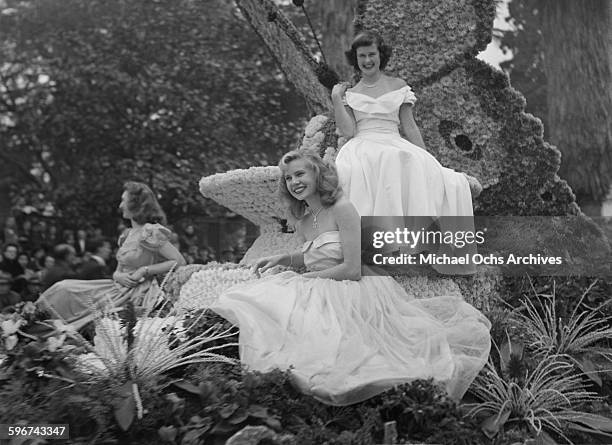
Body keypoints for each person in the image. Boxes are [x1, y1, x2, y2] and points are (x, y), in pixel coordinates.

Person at [211, 149, 490, 406]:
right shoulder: (305, 220)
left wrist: (306, 280)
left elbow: (351, 268)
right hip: (322, 284)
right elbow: (314, 254)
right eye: (288, 178)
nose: (294, 181)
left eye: (300, 174)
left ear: (317, 175)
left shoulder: (342, 208)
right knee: (249, 301)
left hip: (353, 287)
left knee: (337, 354)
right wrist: (285, 259)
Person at [332, 30, 478, 273]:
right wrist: (337, 99)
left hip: (392, 140)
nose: (367, 61)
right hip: (361, 144)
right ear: (355, 59)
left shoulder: (398, 86)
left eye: (371, 55)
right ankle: (373, 246)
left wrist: (428, 160)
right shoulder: (350, 92)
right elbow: (348, 131)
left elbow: (409, 126)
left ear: (381, 56)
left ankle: (405, 246)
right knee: (360, 168)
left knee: (402, 160)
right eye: (362, 56)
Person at [38, 182, 186, 329]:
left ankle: (37, 324)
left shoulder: (151, 232)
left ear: (136, 205)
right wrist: (118, 276)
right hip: (116, 288)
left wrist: (144, 270)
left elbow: (178, 261)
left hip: (135, 293)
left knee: (67, 290)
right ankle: (29, 319)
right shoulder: (127, 234)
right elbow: (117, 271)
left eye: (124, 201)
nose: (120, 206)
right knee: (62, 288)